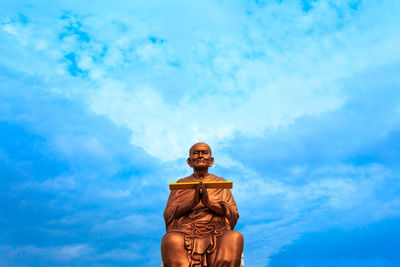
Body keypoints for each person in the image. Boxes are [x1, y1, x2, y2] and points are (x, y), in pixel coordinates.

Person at [161, 142, 244, 267]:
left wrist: (208, 203)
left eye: (204, 153)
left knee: (235, 237)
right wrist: (192, 203)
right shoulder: (181, 185)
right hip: (185, 230)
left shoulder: (221, 183)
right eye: (196, 153)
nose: (200, 155)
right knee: (170, 240)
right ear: (189, 161)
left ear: (211, 161)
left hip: (217, 230)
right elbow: (169, 213)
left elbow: (232, 212)